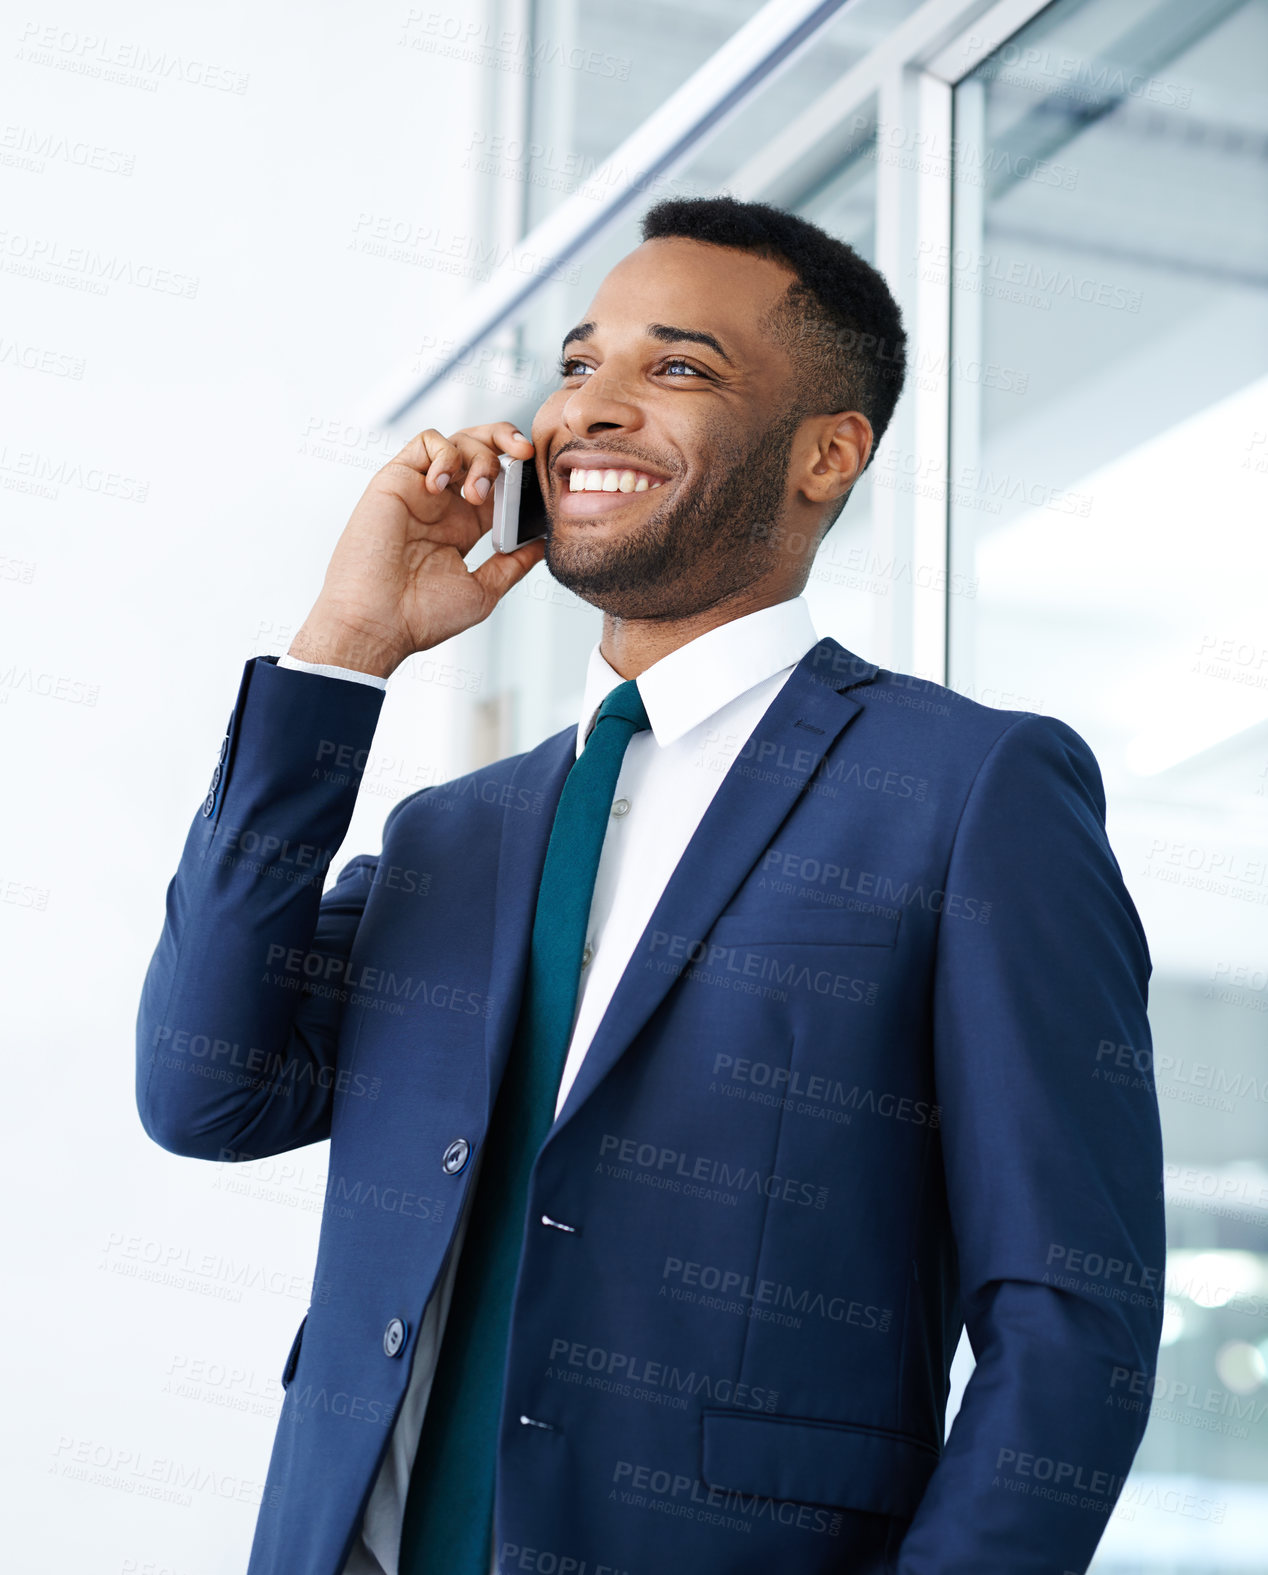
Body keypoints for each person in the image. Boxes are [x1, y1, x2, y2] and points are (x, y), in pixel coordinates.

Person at [135, 196, 1165, 1575]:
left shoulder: (973, 794)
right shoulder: (459, 833)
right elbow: (206, 1088)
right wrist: (344, 653)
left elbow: (1069, 1317)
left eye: (675, 368)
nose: (589, 409)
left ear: (826, 454)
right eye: (577, 364)